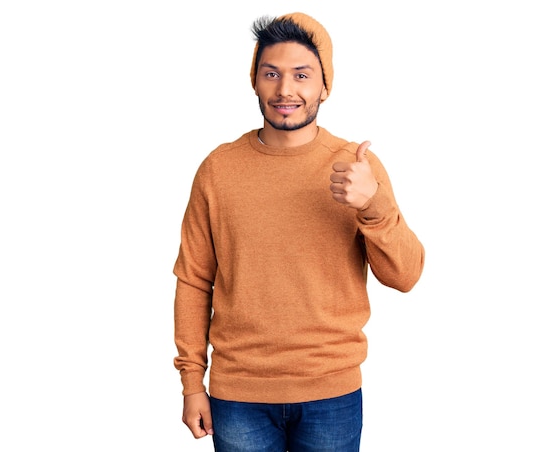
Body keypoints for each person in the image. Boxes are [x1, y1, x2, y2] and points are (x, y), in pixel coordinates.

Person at [173, 12, 425, 451]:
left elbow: (405, 276)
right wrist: (192, 381)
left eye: (301, 75)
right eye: (271, 74)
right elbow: (194, 279)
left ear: (325, 86)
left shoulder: (356, 167)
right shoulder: (219, 169)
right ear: (254, 81)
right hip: (239, 393)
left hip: (332, 390)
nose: (285, 90)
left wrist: (374, 205)